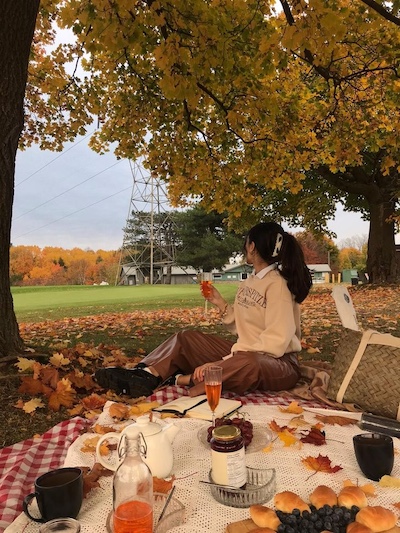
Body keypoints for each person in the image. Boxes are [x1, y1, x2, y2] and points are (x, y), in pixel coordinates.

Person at [94, 222, 313, 398]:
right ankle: (145, 375)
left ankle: (187, 381)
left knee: (248, 363)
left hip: (278, 363)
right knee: (186, 338)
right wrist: (220, 303)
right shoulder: (249, 282)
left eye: (246, 243)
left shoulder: (278, 285)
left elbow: (277, 340)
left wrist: (222, 362)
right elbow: (245, 329)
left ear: (252, 246)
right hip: (244, 353)